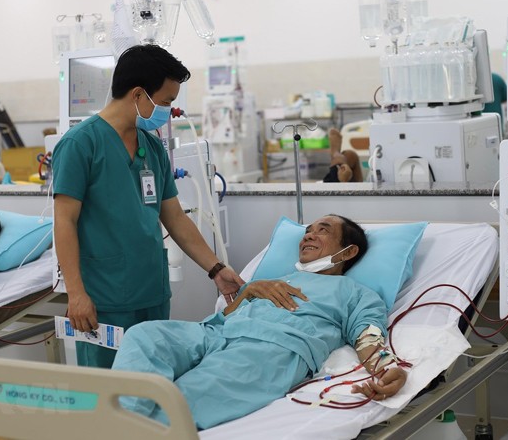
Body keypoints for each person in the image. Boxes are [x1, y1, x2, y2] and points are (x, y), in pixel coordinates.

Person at [112, 214, 407, 430]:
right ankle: (115, 423)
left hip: (271, 348)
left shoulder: (355, 293)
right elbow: (223, 318)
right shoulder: (275, 280)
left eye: (323, 230)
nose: (309, 235)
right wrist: (248, 292)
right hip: (216, 333)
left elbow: (368, 337)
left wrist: (386, 369)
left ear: (349, 251)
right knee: (146, 336)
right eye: (307, 231)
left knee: (183, 396)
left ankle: (128, 433)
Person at [52, 44, 244, 369]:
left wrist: (216, 269)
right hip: (104, 298)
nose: (167, 111)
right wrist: (76, 294)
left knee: (152, 384)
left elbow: (175, 218)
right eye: (166, 102)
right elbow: (64, 222)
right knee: (108, 393)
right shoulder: (79, 144)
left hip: (152, 292)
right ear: (139, 94)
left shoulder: (152, 146)